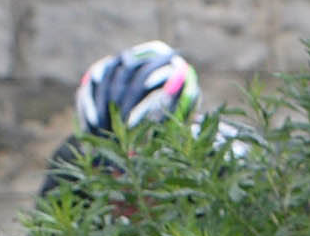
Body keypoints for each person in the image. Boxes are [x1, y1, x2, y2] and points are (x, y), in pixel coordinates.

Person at [39, 40, 203, 199]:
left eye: (140, 162)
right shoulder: (70, 162)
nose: (122, 184)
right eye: (104, 166)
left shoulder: (212, 165)